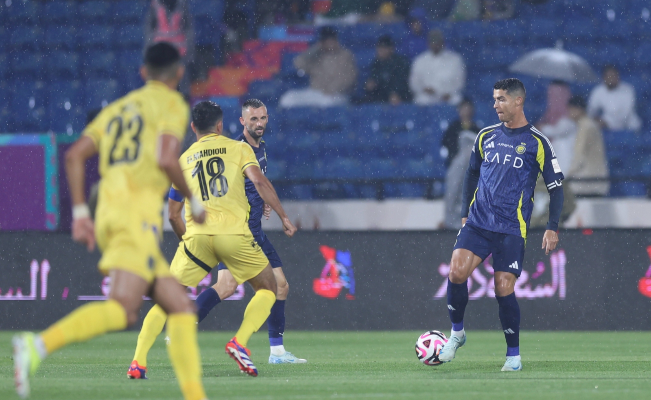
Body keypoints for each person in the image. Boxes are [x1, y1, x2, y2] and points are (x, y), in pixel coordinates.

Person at [13, 43, 209, 400]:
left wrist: (81, 215)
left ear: (142, 72)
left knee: (179, 306)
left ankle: (195, 395)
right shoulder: (171, 104)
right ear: (179, 74)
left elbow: (74, 157)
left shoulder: (119, 108)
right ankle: (36, 345)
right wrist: (193, 199)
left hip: (108, 210)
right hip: (135, 215)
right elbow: (167, 158)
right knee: (122, 309)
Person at [128, 100, 298, 379]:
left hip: (196, 236)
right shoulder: (239, 148)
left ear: (193, 127)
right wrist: (284, 217)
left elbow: (171, 214)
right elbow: (259, 183)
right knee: (270, 286)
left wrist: (190, 242)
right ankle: (240, 342)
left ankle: (138, 362)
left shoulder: (182, 160)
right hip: (234, 234)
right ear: (222, 125)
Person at [438, 78, 564, 372]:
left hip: (511, 227)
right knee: (457, 271)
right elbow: (471, 174)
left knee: (502, 287)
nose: (495, 105)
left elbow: (557, 187)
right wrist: (464, 214)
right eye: (494, 99)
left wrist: (552, 226)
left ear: (518, 101)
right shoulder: (485, 136)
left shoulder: (538, 142)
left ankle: (513, 356)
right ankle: (457, 333)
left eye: (501, 100)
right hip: (479, 222)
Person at [194, 99, 307, 364]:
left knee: (279, 286)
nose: (259, 124)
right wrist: (282, 216)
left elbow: (254, 185)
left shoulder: (261, 148)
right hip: (239, 232)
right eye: (253, 119)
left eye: (263, 118)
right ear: (242, 121)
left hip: (252, 229)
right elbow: (230, 187)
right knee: (229, 286)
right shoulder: (238, 149)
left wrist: (262, 203)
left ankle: (277, 352)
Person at [279, 26, 357, 108]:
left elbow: (350, 78)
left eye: (331, 41)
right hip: (316, 93)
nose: (330, 44)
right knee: (288, 98)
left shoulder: (346, 55)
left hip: (338, 94)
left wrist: (333, 89)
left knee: (327, 103)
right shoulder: (317, 55)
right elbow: (298, 63)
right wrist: (316, 48)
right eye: (326, 41)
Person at [442, 98, 480, 229]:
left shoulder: (476, 128)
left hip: (472, 168)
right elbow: (447, 145)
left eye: (468, 108)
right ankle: (450, 221)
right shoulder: (453, 127)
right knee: (453, 191)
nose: (466, 111)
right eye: (463, 108)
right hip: (456, 165)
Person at [145, 0, 194, 98]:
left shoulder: (182, 4)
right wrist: (149, 51)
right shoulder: (155, 5)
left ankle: (182, 103)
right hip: (160, 52)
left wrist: (189, 52)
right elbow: (149, 29)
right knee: (160, 84)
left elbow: (189, 28)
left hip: (179, 51)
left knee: (182, 85)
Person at [566, 95, 610, 196]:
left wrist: (567, 177)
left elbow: (579, 157)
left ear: (579, 109)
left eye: (571, 109)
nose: (569, 113)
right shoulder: (588, 125)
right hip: (595, 180)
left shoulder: (586, 127)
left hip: (589, 182)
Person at [409, 30, 466, 106]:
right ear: (428, 44)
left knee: (458, 100)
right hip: (428, 96)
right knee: (420, 101)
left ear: (443, 43)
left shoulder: (455, 59)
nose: (435, 44)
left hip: (449, 95)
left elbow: (460, 81)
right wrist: (424, 89)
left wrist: (449, 93)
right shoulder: (420, 60)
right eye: (433, 42)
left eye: (438, 42)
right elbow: (414, 82)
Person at [358, 35, 411, 105]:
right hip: (381, 95)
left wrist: (397, 93)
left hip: (399, 95)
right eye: (379, 48)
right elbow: (374, 79)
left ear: (391, 49)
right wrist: (370, 85)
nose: (380, 51)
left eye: (383, 48)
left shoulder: (400, 62)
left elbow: (403, 82)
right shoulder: (376, 63)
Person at [587, 65, 642, 132]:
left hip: (629, 126)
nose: (611, 78)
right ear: (604, 78)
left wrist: (607, 123)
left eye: (614, 76)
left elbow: (625, 113)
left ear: (618, 77)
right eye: (609, 76)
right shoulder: (598, 91)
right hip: (606, 125)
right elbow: (591, 110)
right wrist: (595, 119)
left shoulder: (628, 89)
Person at [537, 81, 575, 173]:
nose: (554, 99)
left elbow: (556, 131)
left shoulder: (570, 120)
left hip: (565, 165)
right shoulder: (548, 117)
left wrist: (541, 128)